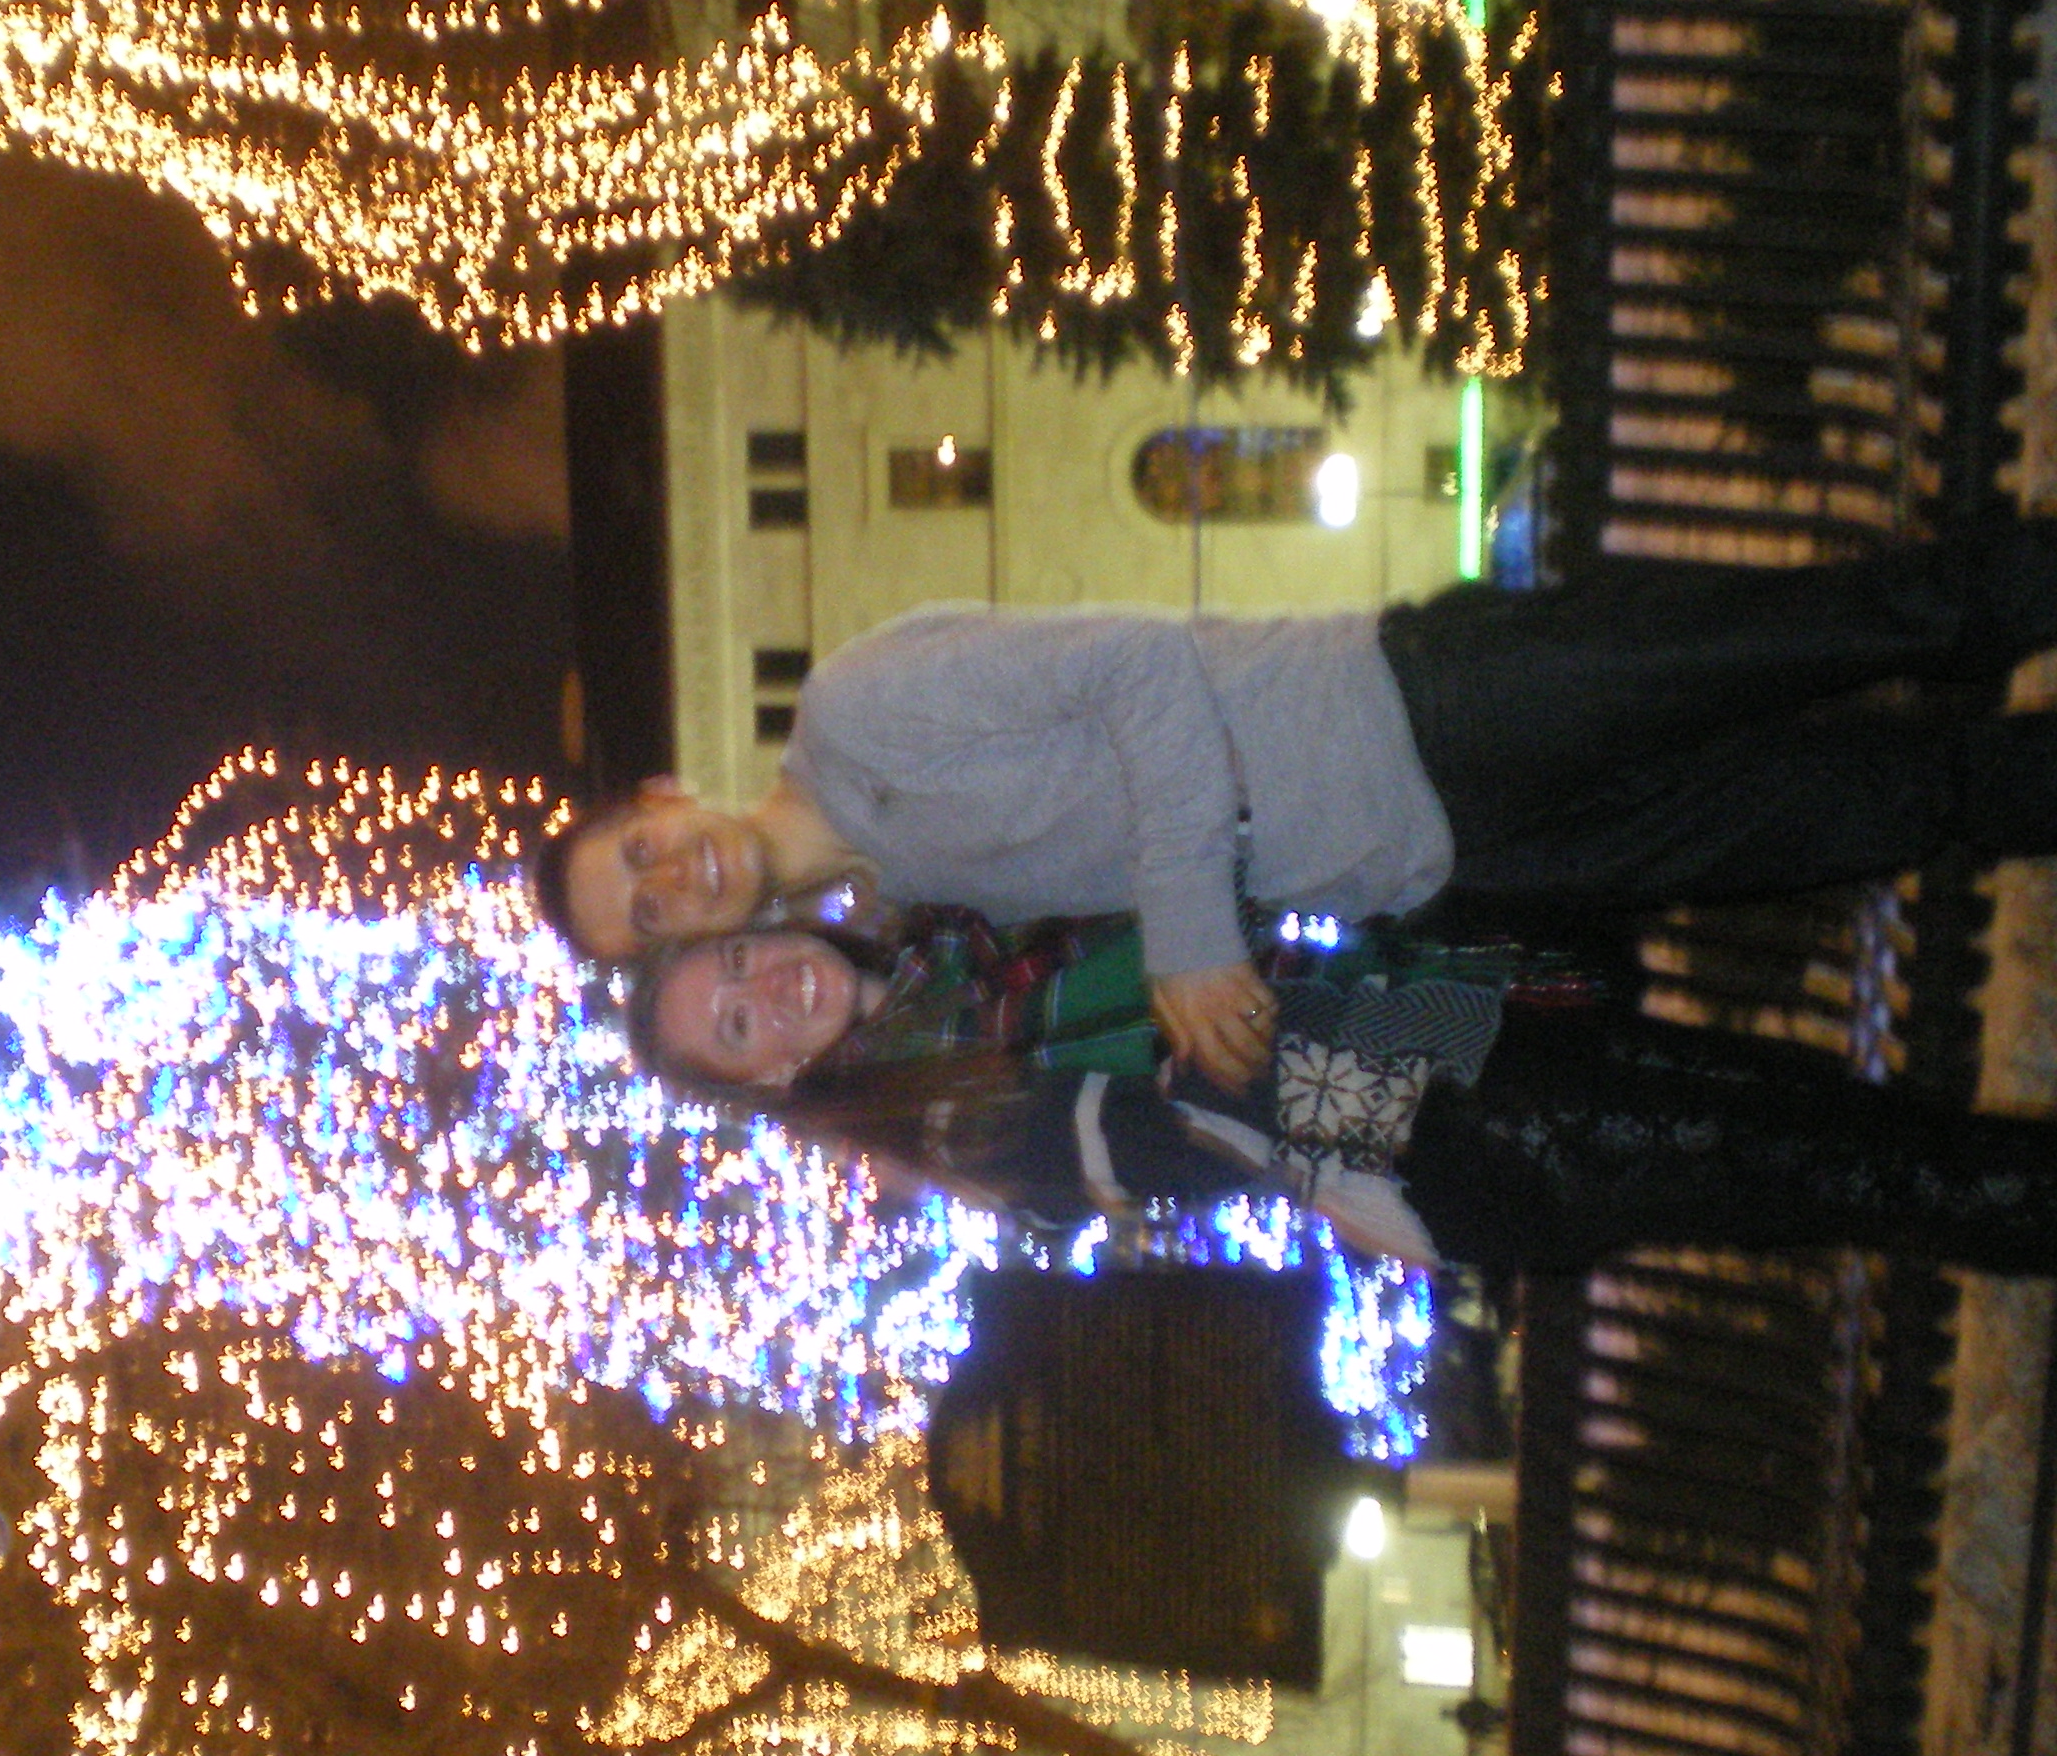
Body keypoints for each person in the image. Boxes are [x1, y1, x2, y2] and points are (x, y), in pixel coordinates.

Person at [539, 523, 2057, 1093]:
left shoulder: (860, 708)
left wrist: (1192, 939)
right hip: (1439, 852)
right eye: (649, 912)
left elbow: (1143, 666)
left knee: (1870, 624)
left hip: (1431, 703)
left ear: (664, 796)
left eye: (642, 853)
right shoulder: (903, 900)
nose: (675, 880)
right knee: (1882, 810)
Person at [628, 907, 2057, 1278]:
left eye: (738, 961)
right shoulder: (958, 1126)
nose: (773, 990)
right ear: (768, 1077)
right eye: (739, 1023)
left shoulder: (964, 937)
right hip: (1432, 1136)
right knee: (1827, 1164)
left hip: (1415, 1035)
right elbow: (1186, 1124)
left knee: (1820, 1119)